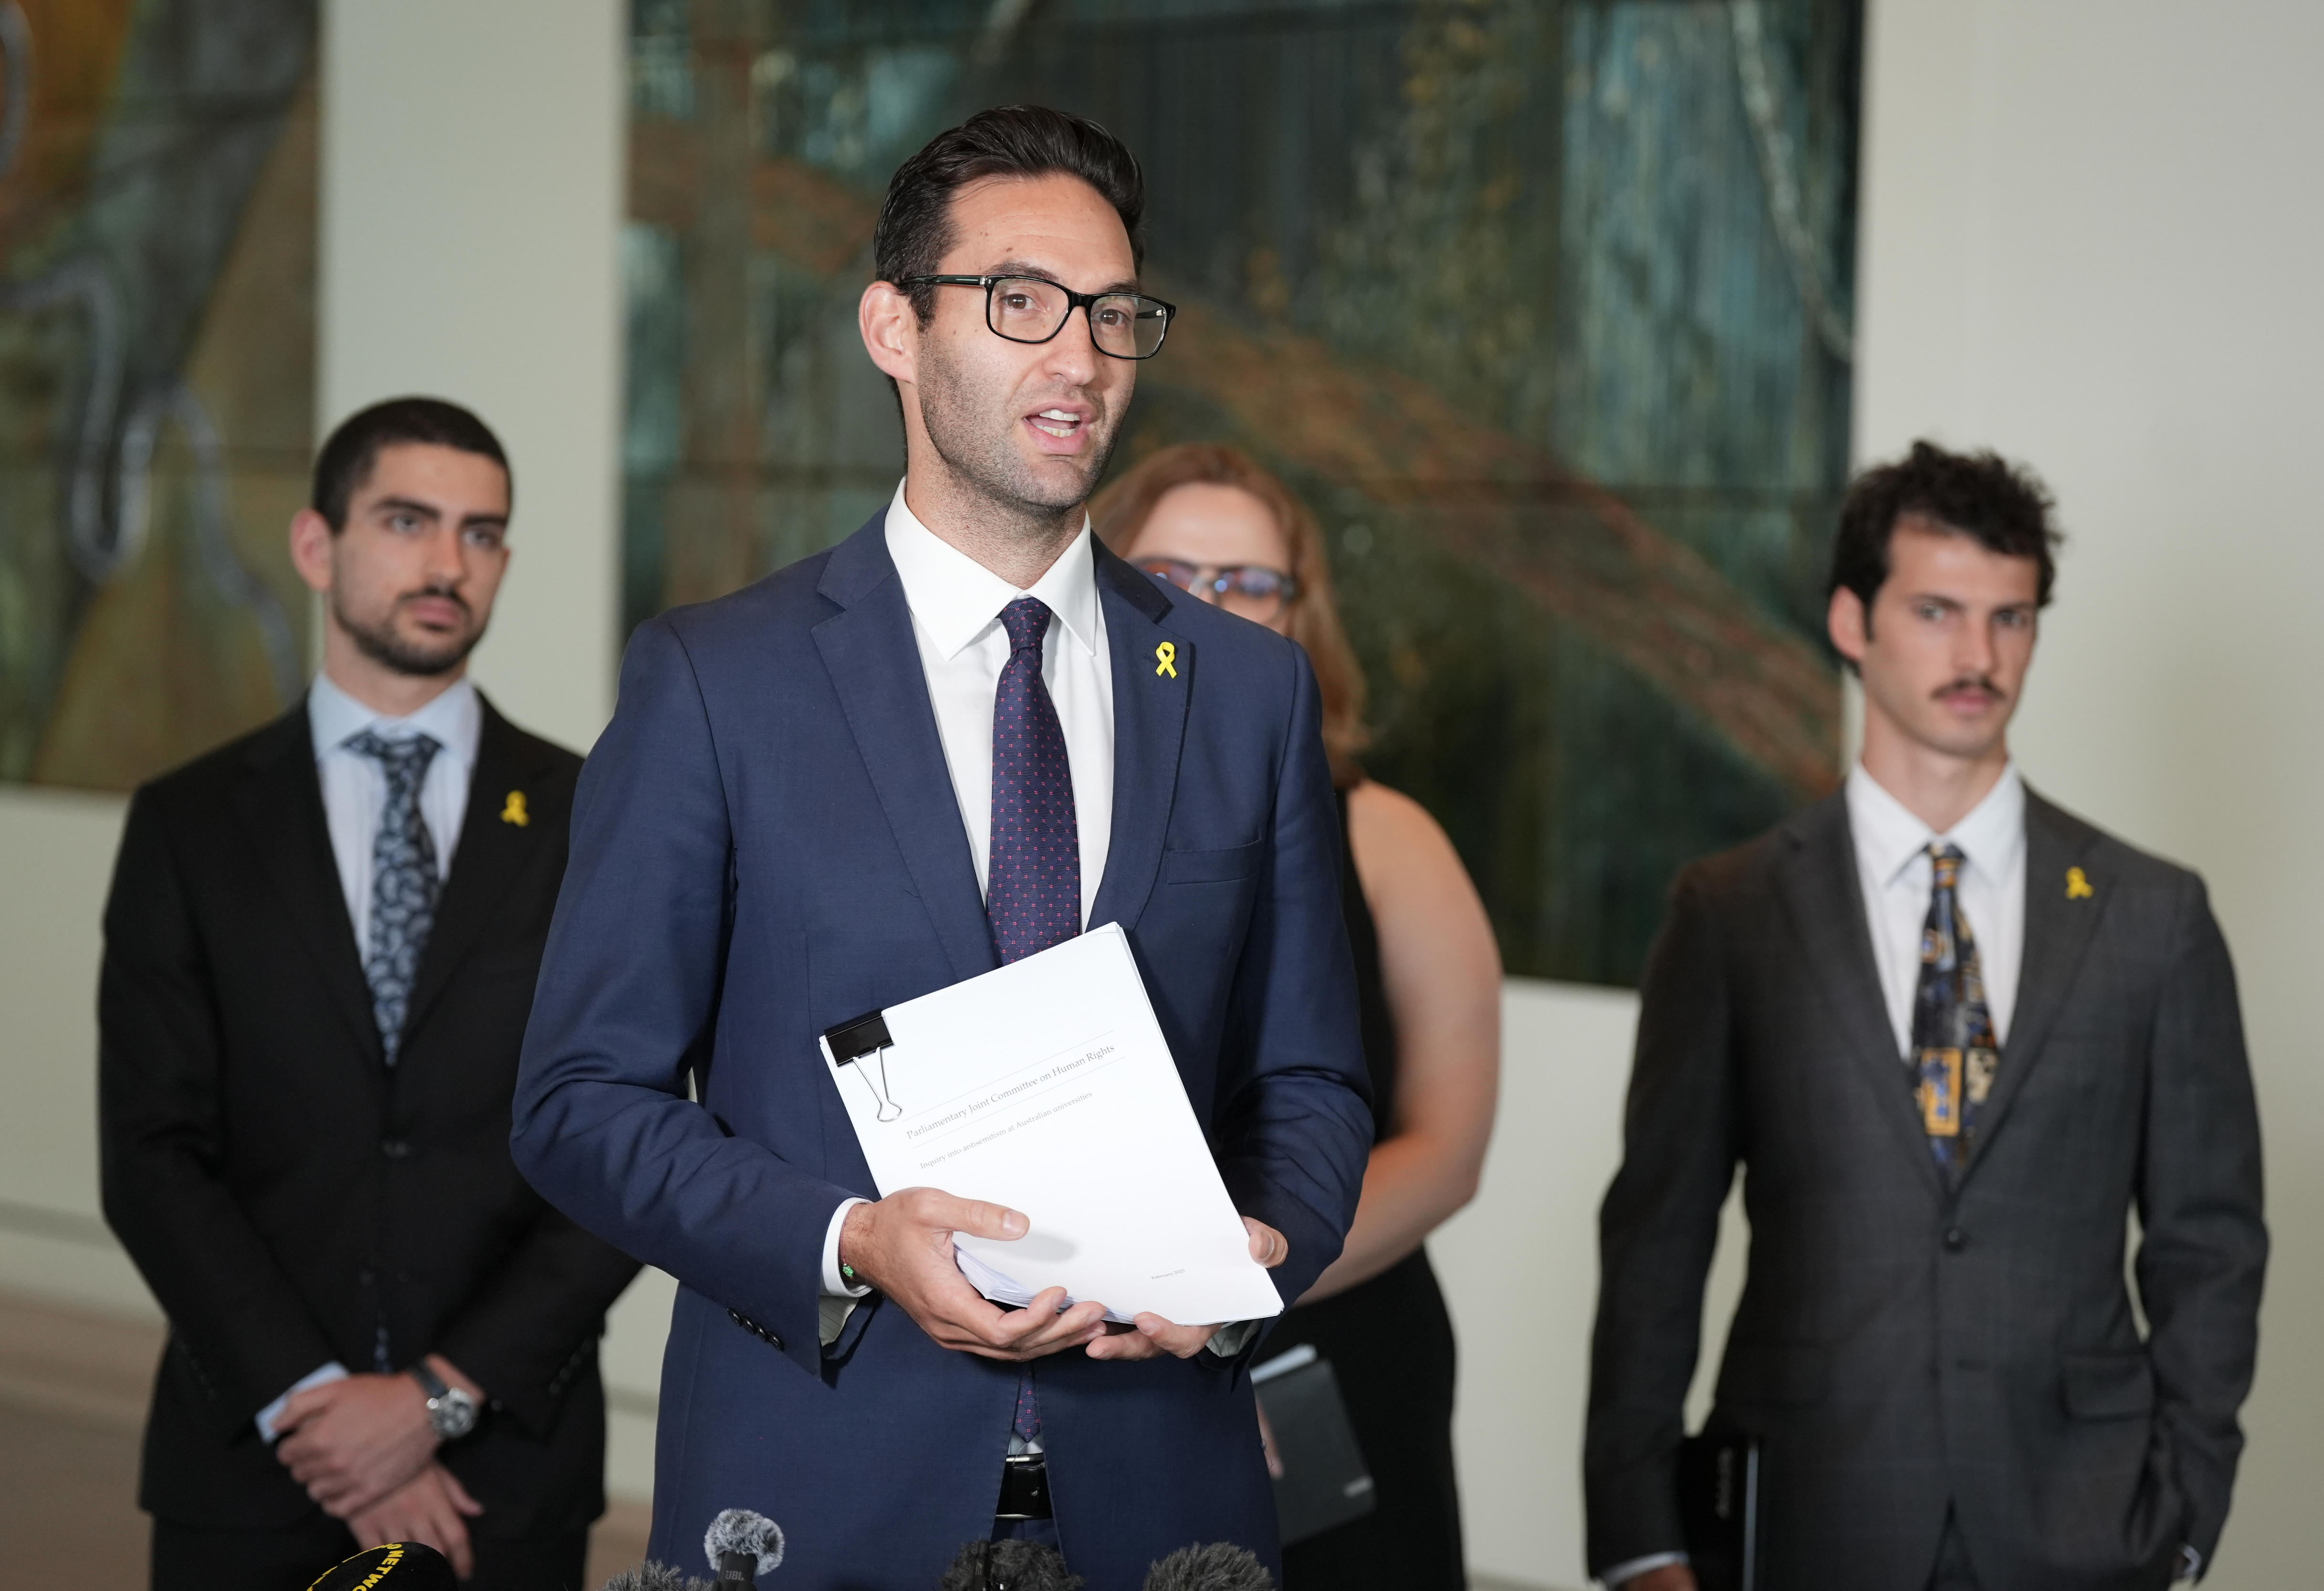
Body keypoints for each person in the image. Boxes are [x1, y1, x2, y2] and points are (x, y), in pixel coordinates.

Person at [509, 106, 1375, 1591]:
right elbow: (580, 1098)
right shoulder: (720, 680)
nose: (1081, 356)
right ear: (893, 329)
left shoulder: (1247, 692)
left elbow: (1311, 1079)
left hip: (1161, 1492)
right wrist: (848, 1235)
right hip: (817, 1486)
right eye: (1020, 300)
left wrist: (1252, 1254)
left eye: (1113, 312)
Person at [1581, 441, 2265, 1591]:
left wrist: (2186, 1510)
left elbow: (2210, 1240)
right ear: (1851, 621)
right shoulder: (1732, 910)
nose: (1977, 656)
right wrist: (1640, 1532)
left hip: (2083, 1526)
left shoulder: (2153, 916)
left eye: (2010, 618)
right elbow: (1657, 1238)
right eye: (1937, 611)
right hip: (1810, 1513)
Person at [98, 398, 644, 1590]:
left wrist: (433, 1401)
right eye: (407, 521)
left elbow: (628, 1141)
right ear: (316, 544)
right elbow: (150, 1154)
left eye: (480, 533)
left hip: (502, 1468)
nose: (448, 563)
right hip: (253, 1457)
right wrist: (324, 1412)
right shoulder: (189, 825)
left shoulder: (595, 816)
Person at [1090, 443, 1500, 1591]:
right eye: (1172, 573)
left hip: (1331, 1336)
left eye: (1250, 583)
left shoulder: (1387, 835)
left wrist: (1226, 1286)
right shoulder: (1042, 816)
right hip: (1094, 1340)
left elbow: (1449, 1148)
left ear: (1298, 613)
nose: (1211, 607)